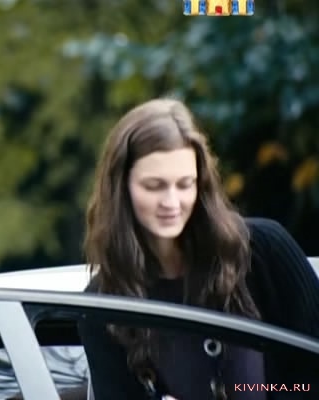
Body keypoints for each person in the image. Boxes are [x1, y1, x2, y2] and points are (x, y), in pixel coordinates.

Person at [79, 98, 319, 400]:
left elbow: (310, 380)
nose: (171, 202)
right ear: (121, 188)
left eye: (185, 184)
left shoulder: (263, 250)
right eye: (154, 186)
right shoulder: (103, 304)